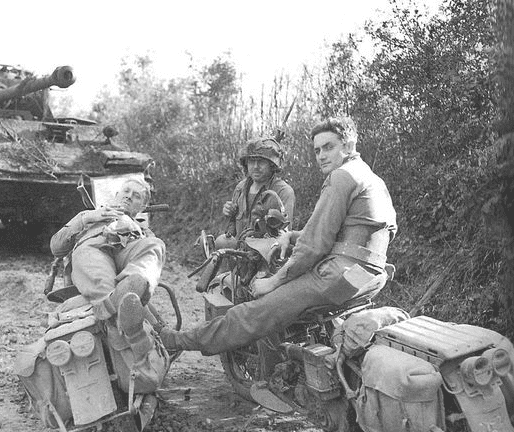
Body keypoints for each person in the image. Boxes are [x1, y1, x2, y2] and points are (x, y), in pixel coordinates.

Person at [160, 116, 397, 355]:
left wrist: (273, 282)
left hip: (335, 276)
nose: (321, 156)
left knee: (253, 312)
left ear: (349, 145)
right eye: (317, 150)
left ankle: (176, 340)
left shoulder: (340, 177)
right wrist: (291, 236)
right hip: (369, 276)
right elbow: (361, 231)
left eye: (329, 147)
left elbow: (314, 245)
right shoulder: (372, 179)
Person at [49, 178, 165, 352]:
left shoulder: (145, 232)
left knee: (155, 245)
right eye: (126, 191)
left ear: (142, 208)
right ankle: (114, 319)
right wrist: (87, 217)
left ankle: (130, 287)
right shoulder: (90, 217)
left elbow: (149, 257)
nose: (129, 197)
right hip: (95, 249)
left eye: (136, 196)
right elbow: (56, 247)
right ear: (117, 195)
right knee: (88, 254)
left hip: (127, 256)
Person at [221, 137, 295, 240]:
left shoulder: (283, 191)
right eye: (251, 161)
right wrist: (229, 213)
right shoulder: (240, 188)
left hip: (266, 253)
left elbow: (284, 235)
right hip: (238, 252)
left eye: (261, 161)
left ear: (271, 165)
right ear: (246, 164)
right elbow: (231, 228)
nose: (255, 166)